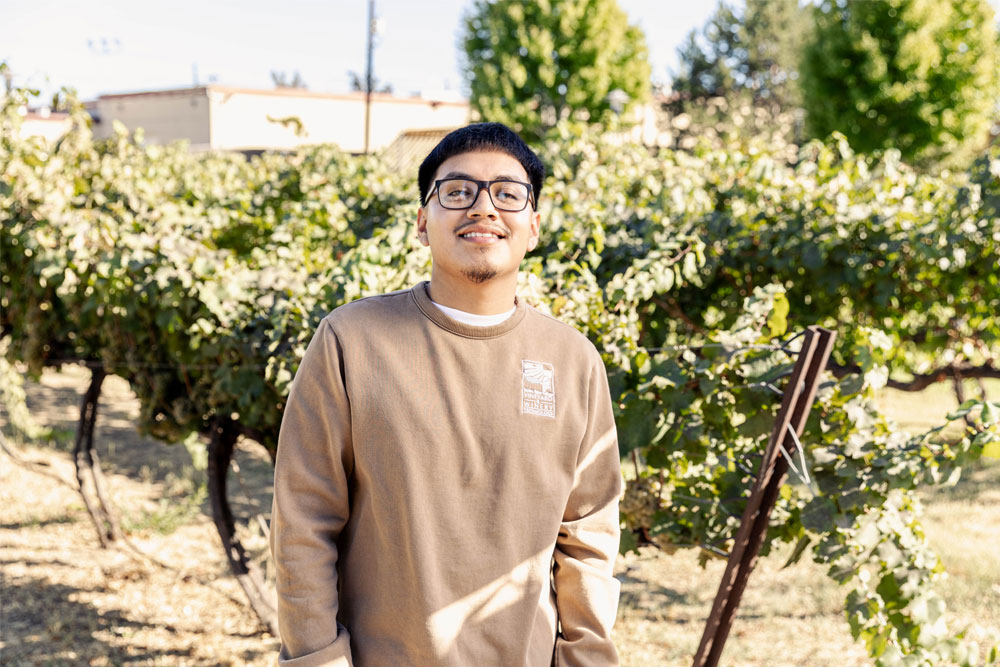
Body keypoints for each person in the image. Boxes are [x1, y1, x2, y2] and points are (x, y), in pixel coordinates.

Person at [270, 122, 622, 666]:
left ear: (532, 226)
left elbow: (588, 538)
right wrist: (317, 659)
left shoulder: (573, 361)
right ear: (422, 221)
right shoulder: (351, 341)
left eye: (507, 193)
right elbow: (303, 521)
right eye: (456, 191)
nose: (483, 208)